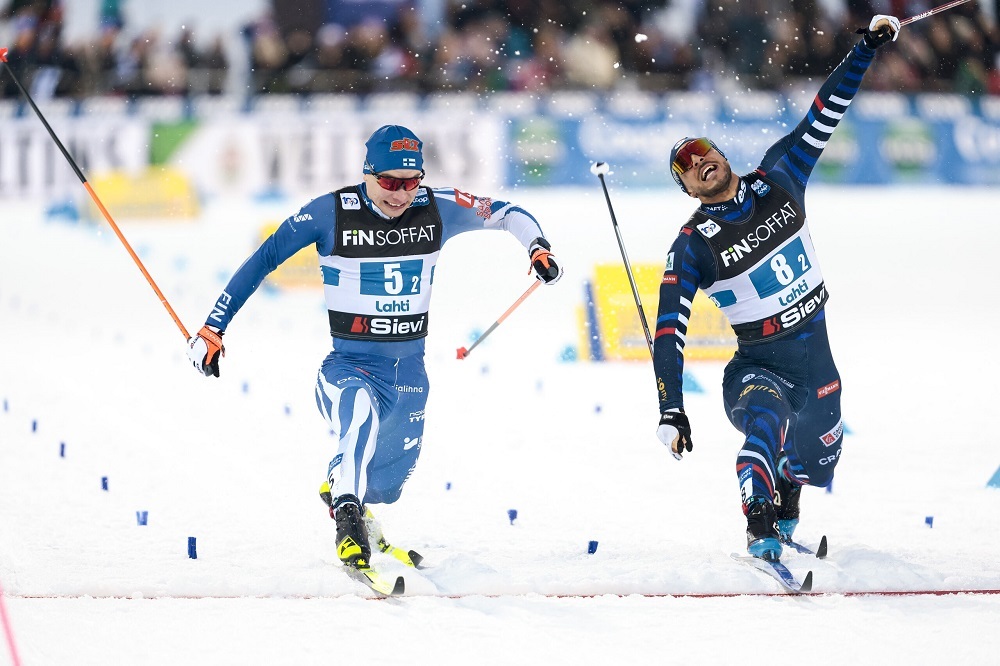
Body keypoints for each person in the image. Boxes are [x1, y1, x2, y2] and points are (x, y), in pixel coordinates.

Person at [187, 125, 562, 577]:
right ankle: (347, 524)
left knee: (384, 485)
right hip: (348, 367)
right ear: (367, 174)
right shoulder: (331, 211)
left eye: (410, 182)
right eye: (388, 182)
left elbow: (506, 212)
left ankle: (343, 485)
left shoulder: (436, 207)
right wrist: (213, 327)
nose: (400, 194)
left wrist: (537, 247)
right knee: (359, 414)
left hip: (409, 374)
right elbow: (266, 256)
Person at [652, 16, 901, 561]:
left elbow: (824, 112)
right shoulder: (693, 244)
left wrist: (865, 48)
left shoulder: (780, 177)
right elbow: (669, 329)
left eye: (703, 151)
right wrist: (672, 408)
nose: (700, 163)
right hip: (759, 367)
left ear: (720, 152)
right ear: (687, 188)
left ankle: (786, 494)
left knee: (816, 464)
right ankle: (758, 519)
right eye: (687, 168)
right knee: (766, 426)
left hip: (818, 363)